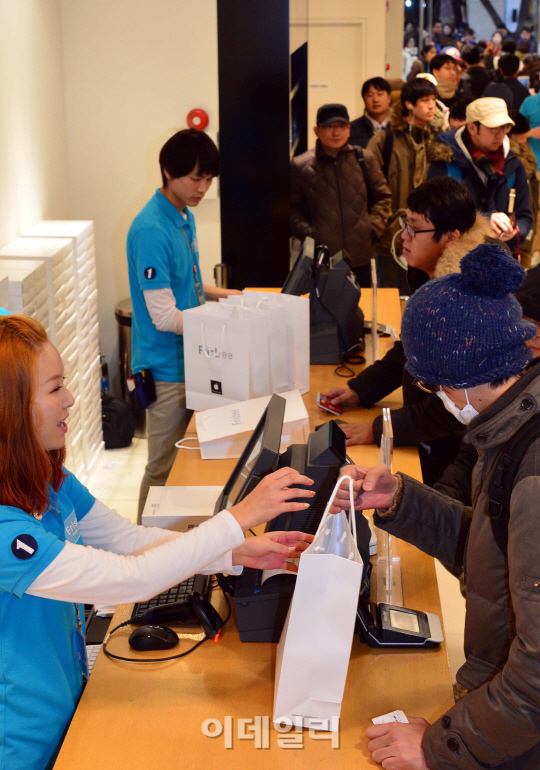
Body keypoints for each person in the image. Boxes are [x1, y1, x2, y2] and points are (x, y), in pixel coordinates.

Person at [0, 313, 316, 770]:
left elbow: (127, 540)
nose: (70, 399)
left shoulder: (47, 479)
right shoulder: (6, 533)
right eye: (53, 389)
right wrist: (237, 518)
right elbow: (131, 580)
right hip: (22, 741)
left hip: (64, 700)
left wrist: (231, 553)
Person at [333, 245, 540, 770]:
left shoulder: (532, 466)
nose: (437, 396)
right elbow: (491, 554)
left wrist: (439, 747)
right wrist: (400, 499)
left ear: (466, 371)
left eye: (435, 383)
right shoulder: (508, 428)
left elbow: (536, 679)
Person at [325, 177, 500, 486]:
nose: (404, 237)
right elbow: (411, 349)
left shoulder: (468, 299)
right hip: (428, 437)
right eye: (405, 225)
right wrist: (362, 390)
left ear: (451, 237)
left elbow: (455, 406)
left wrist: (378, 430)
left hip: (459, 458)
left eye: (415, 229)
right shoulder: (427, 272)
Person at [127, 129, 242, 521]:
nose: (203, 188)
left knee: (196, 458)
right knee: (161, 467)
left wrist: (234, 298)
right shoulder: (150, 230)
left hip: (194, 358)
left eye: (209, 179)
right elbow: (164, 315)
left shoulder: (182, 216)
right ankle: (142, 551)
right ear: (167, 171)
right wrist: (221, 322)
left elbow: (190, 289)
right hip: (165, 369)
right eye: (195, 178)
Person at [290, 103, 392, 287]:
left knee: (364, 308)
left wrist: (372, 228)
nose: (336, 132)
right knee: (321, 311)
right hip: (321, 258)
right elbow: (292, 209)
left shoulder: (364, 159)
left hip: (361, 255)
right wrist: (310, 235)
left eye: (341, 126)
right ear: (316, 130)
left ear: (349, 129)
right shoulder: (300, 165)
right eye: (329, 127)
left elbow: (382, 197)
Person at [427, 97, 533, 250]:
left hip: (498, 257)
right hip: (453, 256)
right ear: (471, 128)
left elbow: (524, 216)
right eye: (493, 128)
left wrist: (516, 232)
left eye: (505, 127)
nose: (500, 134)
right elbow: (434, 213)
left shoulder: (513, 163)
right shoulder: (446, 161)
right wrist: (485, 220)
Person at [366, 78, 442, 289]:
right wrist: (380, 223)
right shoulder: (385, 140)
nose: (431, 106)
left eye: (434, 100)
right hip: (391, 233)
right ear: (409, 104)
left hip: (429, 234)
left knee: (425, 293)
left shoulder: (438, 139)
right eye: (425, 100)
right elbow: (369, 186)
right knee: (390, 292)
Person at [350, 77, 392, 148]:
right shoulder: (352, 129)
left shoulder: (401, 127)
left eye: (380, 94)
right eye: (370, 95)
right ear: (364, 100)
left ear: (389, 98)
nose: (375, 100)